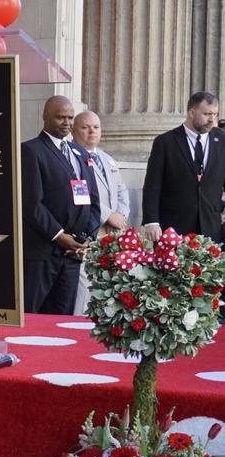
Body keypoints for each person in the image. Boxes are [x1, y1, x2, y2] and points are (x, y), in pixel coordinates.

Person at [20, 95, 99, 314]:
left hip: (73, 254)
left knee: (61, 319)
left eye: (70, 118)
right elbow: (31, 204)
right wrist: (59, 236)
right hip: (43, 253)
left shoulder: (80, 152)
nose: (66, 123)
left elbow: (93, 200)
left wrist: (88, 237)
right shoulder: (30, 150)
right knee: (33, 316)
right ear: (45, 116)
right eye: (60, 117)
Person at [142, 91, 225, 243]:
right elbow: (152, 185)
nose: (212, 120)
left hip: (212, 227)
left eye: (215, 114)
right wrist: (151, 221)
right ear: (192, 113)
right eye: (207, 114)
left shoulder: (222, 140)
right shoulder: (165, 142)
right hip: (174, 228)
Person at [72, 111, 131, 313]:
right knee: (84, 286)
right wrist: (108, 215)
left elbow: (122, 190)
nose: (92, 132)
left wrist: (121, 215)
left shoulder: (107, 159)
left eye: (96, 127)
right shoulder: (71, 157)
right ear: (73, 130)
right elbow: (79, 194)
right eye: (85, 127)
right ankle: (77, 326)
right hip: (87, 232)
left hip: (110, 235)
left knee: (105, 286)